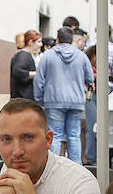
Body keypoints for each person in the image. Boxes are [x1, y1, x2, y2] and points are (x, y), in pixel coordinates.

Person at [35, 25, 95, 162]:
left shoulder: (47, 56)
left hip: (54, 100)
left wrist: (39, 100)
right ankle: (76, 168)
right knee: (74, 136)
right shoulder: (81, 56)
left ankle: (54, 167)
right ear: (72, 39)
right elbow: (90, 78)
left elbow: (39, 80)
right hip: (76, 101)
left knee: (55, 136)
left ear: (57, 40)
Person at [10, 29, 43, 100]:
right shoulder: (22, 55)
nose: (41, 44)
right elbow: (18, 72)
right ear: (31, 42)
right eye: (39, 42)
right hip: (22, 99)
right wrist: (37, 74)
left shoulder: (26, 55)